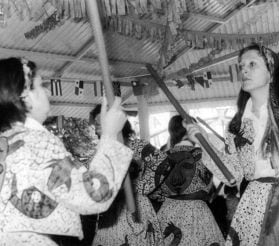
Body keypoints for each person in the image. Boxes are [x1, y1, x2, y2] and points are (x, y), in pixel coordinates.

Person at [0, 57, 133, 245]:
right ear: (25, 97)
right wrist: (110, 135)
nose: (47, 90)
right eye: (40, 85)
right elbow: (94, 195)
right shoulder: (37, 142)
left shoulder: (6, 140)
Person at [184, 43, 279, 245]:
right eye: (241, 66)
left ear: (271, 70)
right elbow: (232, 176)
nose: (244, 70)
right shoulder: (237, 126)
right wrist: (204, 144)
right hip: (257, 202)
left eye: (252, 64)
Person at [90, 105, 164, 246]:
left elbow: (162, 164)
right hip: (111, 209)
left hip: (136, 206)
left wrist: (142, 187)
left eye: (100, 122)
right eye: (96, 122)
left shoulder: (137, 146)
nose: (96, 125)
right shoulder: (101, 149)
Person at [156, 115, 225, 245]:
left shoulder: (161, 157)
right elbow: (225, 176)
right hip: (197, 213)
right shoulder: (204, 154)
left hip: (167, 211)